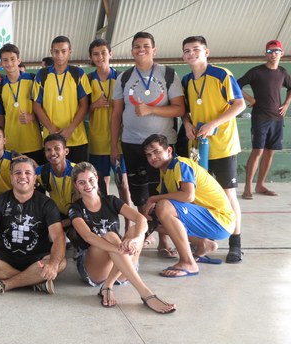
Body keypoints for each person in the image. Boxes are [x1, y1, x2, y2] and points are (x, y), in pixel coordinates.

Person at [110, 32, 185, 257]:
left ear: (154, 49)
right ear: (131, 50)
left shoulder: (168, 74)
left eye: (145, 45)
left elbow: (180, 109)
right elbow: (116, 114)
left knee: (163, 192)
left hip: (163, 145)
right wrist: (114, 146)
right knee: (140, 195)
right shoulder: (124, 78)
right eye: (136, 46)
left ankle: (164, 240)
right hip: (131, 143)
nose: (141, 49)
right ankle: (144, 234)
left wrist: (151, 109)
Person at [69, 162, 175, 314]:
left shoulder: (111, 200)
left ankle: (108, 286)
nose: (88, 185)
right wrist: (118, 249)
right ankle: (146, 294)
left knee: (134, 230)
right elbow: (88, 236)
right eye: (82, 182)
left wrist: (136, 239)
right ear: (76, 185)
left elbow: (141, 219)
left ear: (96, 178)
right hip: (96, 269)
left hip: (122, 267)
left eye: (91, 180)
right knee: (111, 236)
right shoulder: (75, 208)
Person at [181, 36, 246, 264]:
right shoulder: (187, 80)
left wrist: (213, 124)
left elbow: (240, 104)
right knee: (199, 196)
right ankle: (203, 242)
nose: (191, 54)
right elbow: (185, 111)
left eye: (196, 49)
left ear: (206, 52)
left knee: (228, 194)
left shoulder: (221, 74)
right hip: (199, 148)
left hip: (223, 146)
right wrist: (187, 124)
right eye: (187, 50)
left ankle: (235, 244)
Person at [141, 134, 236, 278]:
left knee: (163, 206)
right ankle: (203, 244)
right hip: (208, 219)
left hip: (220, 220)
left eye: (156, 151)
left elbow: (188, 196)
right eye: (149, 155)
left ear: (169, 150)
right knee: (154, 220)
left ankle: (188, 263)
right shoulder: (165, 172)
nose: (152, 157)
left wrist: (154, 198)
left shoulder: (181, 164)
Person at [0, 157, 66, 296]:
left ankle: (5, 284)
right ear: (11, 178)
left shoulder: (47, 203)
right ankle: (35, 281)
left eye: (28, 173)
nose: (22, 176)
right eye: (17, 173)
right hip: (7, 258)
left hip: (37, 258)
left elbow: (58, 237)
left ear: (34, 179)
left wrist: (52, 264)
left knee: (60, 262)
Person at [238, 39, 291, 200]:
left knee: (270, 152)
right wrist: (250, 99)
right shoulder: (256, 72)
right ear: (265, 54)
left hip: (277, 119)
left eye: (276, 51)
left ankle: (260, 185)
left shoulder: (283, 73)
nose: (273, 54)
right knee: (258, 151)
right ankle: (248, 187)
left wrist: (286, 104)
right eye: (270, 51)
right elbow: (235, 84)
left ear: (282, 53)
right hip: (260, 118)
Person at [86, 39, 132, 203]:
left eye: (103, 53)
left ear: (110, 54)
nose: (100, 57)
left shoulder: (122, 77)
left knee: (122, 183)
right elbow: (82, 110)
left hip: (119, 139)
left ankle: (128, 217)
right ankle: (106, 215)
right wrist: (95, 104)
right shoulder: (87, 79)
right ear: (91, 57)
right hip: (97, 140)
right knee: (101, 182)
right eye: (96, 54)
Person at [32, 36, 90, 164]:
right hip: (51, 140)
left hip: (76, 138)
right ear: (51, 52)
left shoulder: (78, 73)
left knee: (78, 175)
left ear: (70, 52)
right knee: (52, 175)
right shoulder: (42, 75)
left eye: (63, 51)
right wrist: (51, 129)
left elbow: (84, 105)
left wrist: (70, 129)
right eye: (56, 51)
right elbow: (36, 106)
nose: (59, 55)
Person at [0, 43, 44, 163]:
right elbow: (0, 116)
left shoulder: (32, 80)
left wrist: (32, 116)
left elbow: (44, 108)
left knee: (35, 173)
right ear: (1, 63)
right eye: (5, 60)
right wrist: (0, 141)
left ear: (19, 60)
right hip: (11, 145)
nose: (9, 63)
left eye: (12, 59)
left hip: (34, 143)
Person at [34, 134, 75, 231]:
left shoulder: (77, 172)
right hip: (58, 214)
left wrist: (60, 224)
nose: (52, 153)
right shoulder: (42, 172)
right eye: (48, 150)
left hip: (79, 216)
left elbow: (88, 207)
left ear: (66, 151)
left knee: (75, 235)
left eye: (57, 149)